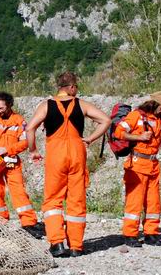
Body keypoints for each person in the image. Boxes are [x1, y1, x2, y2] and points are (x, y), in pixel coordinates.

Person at [27, 72, 111, 257]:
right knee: (76, 199)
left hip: (56, 155)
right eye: (76, 87)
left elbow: (30, 128)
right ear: (71, 87)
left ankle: (57, 243)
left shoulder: (46, 105)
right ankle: (76, 246)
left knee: (53, 199)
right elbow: (106, 120)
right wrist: (90, 138)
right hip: (77, 154)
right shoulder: (81, 104)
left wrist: (33, 150)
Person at [0, 92, 39, 236]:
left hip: (11, 163)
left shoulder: (18, 121)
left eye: (2, 108)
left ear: (9, 105)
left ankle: (29, 224)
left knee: (19, 192)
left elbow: (25, 142)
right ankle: (0, 224)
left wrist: (8, 149)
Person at [114, 92, 161, 248]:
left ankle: (151, 233)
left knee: (153, 202)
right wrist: (139, 137)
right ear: (154, 104)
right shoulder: (136, 116)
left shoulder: (157, 119)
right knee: (135, 201)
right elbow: (118, 132)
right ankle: (130, 235)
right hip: (137, 165)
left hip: (153, 165)